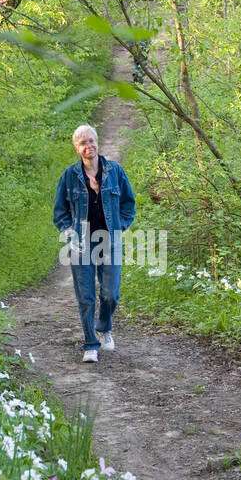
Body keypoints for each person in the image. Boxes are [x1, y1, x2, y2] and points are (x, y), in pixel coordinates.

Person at [53, 124, 136, 362]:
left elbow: (128, 204)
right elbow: (60, 212)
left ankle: (104, 326)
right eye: (83, 143)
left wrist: (120, 226)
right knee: (86, 296)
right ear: (76, 149)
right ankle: (91, 344)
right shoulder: (69, 176)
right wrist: (69, 232)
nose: (88, 146)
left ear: (97, 143)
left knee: (111, 294)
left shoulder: (115, 171)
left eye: (91, 141)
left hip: (110, 240)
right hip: (81, 243)